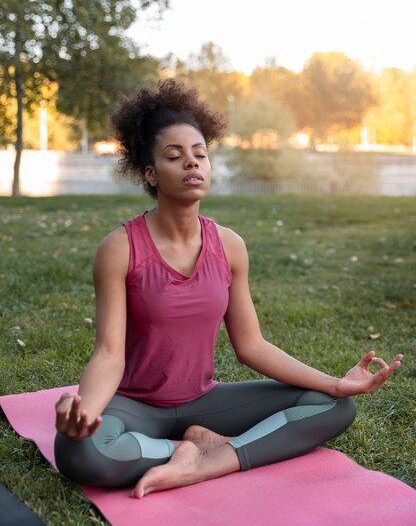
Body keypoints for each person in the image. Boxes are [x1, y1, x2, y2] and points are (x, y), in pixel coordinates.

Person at [54, 79, 402, 499]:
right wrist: (86, 412)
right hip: (135, 407)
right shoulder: (120, 248)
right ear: (150, 173)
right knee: (79, 452)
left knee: (335, 407)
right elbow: (109, 354)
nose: (192, 165)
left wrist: (334, 383)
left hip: (205, 400)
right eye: (174, 156)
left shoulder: (230, 246)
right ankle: (182, 449)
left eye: (200, 155)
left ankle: (215, 456)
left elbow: (251, 345)